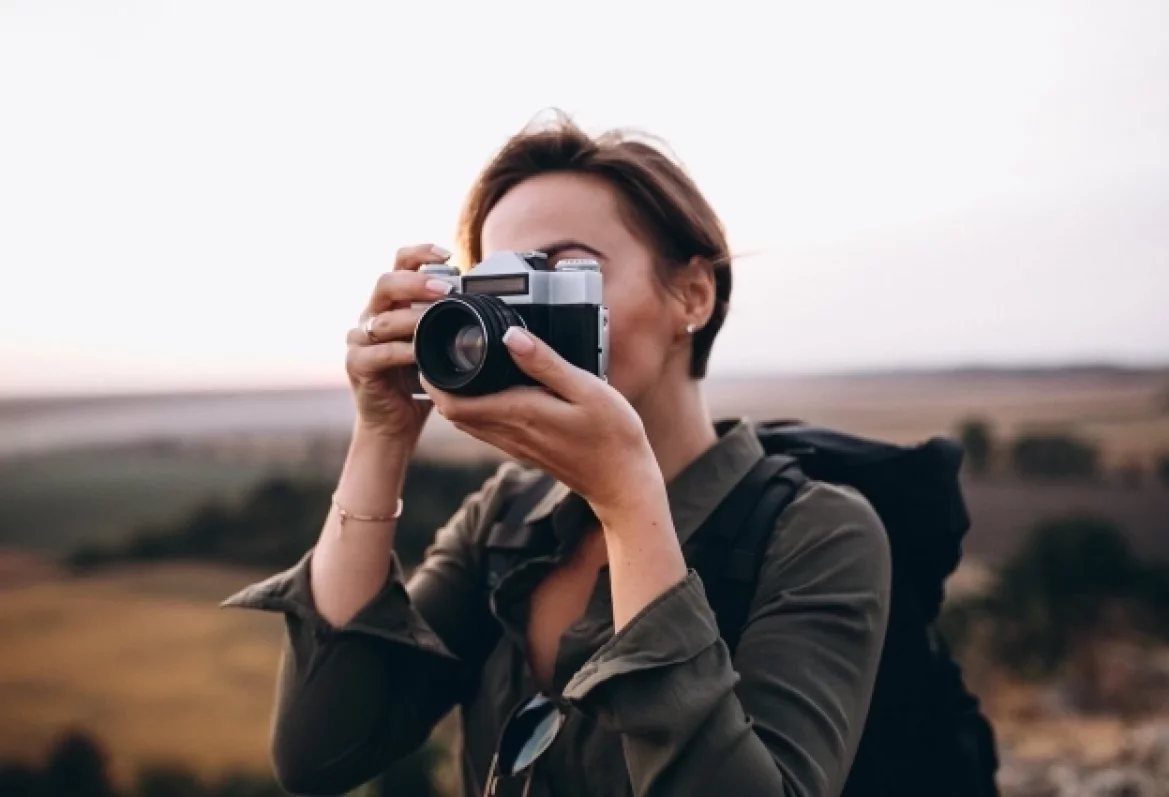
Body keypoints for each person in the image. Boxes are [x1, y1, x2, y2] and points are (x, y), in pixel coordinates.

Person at [221, 114, 892, 797]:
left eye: (566, 271)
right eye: (497, 286)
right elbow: (320, 751)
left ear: (692, 292)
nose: (520, 319)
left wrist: (630, 503)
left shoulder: (815, 531)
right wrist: (382, 432)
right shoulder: (506, 517)